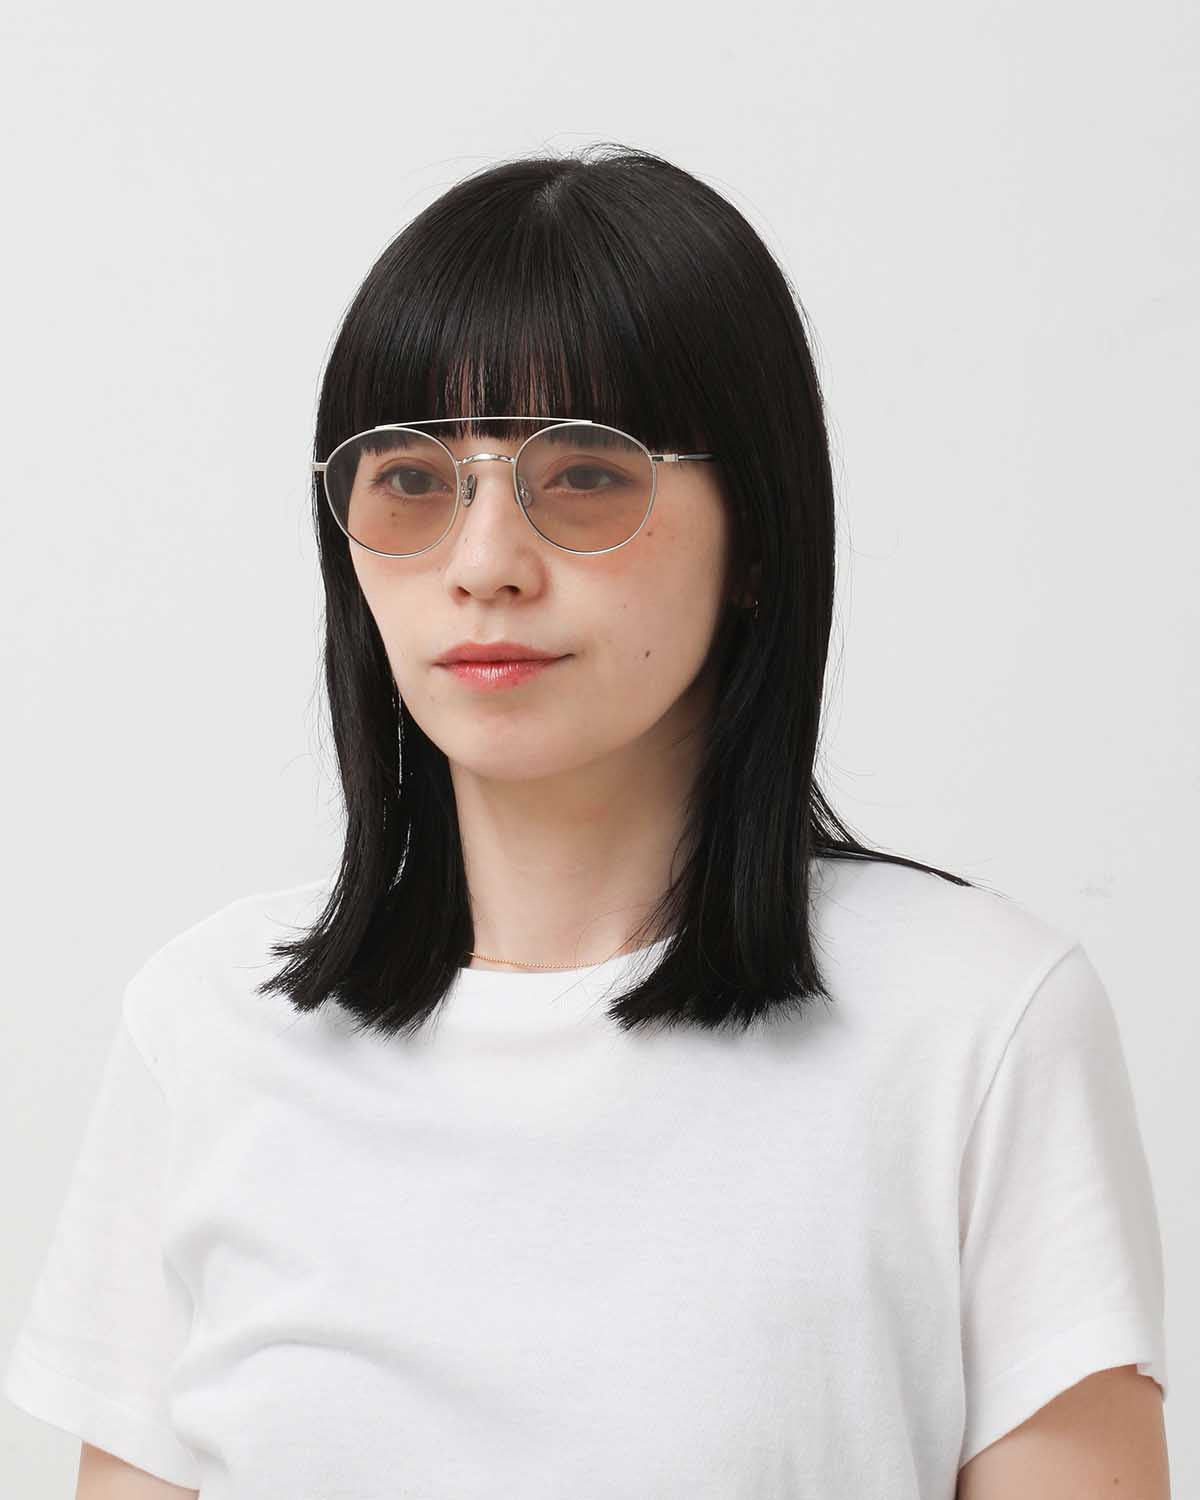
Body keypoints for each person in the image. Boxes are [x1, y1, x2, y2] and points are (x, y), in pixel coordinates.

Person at [3, 144, 1168, 1499]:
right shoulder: (207, 1028)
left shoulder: (975, 1019)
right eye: (413, 481)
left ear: (758, 534)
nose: (485, 565)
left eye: (586, 476)